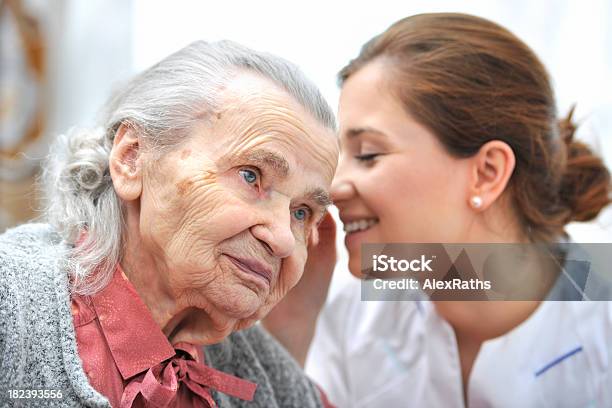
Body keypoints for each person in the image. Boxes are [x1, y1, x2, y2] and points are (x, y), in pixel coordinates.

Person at [265, 13, 612, 408]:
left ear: (487, 172)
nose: (333, 188)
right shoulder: (351, 322)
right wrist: (289, 332)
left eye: (369, 154)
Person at [0, 40, 339, 407]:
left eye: (301, 212)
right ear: (132, 158)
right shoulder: (11, 306)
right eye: (250, 175)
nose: (284, 239)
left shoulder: (270, 380)